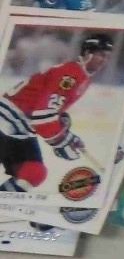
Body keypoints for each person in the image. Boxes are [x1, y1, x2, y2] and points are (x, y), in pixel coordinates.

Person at [0, 34, 113, 194]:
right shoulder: (70, 74)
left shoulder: (81, 76)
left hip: (19, 125)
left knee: (33, 173)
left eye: (107, 56)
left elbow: (48, 111)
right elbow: (42, 117)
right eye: (101, 54)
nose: (104, 60)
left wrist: (65, 134)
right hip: (8, 119)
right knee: (33, 172)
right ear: (88, 53)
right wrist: (64, 140)